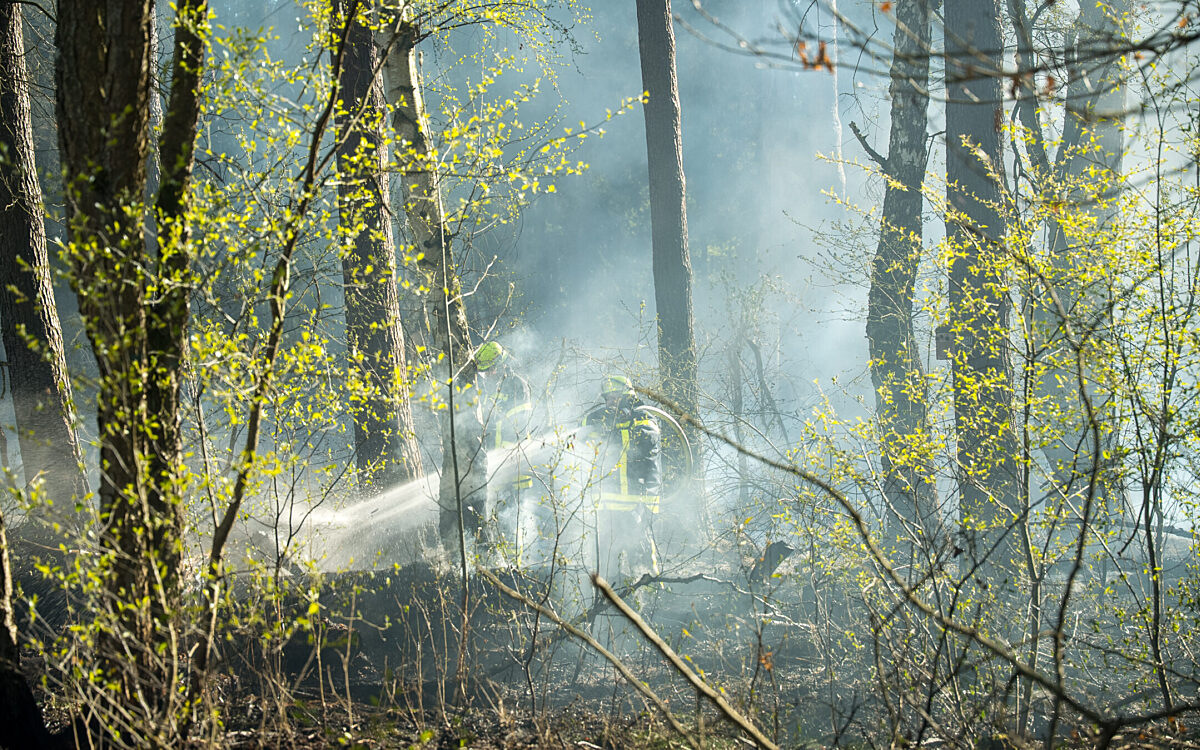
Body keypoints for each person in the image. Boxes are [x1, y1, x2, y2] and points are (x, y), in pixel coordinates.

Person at [581, 375, 662, 580]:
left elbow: (646, 444)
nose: (610, 402)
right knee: (606, 553)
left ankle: (650, 594)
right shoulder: (598, 418)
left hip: (635, 499)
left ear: (627, 397)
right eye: (608, 398)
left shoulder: (642, 417)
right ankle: (609, 596)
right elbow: (584, 444)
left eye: (615, 398)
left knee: (640, 550)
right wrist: (601, 425)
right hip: (606, 502)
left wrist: (621, 423)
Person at [474, 341, 534, 564]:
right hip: (493, 470)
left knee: (513, 523)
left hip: (513, 470)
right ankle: (501, 566)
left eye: (489, 370)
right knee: (494, 522)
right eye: (484, 371)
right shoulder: (488, 389)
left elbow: (517, 428)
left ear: (499, 366)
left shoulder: (517, 386)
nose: (487, 375)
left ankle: (518, 569)